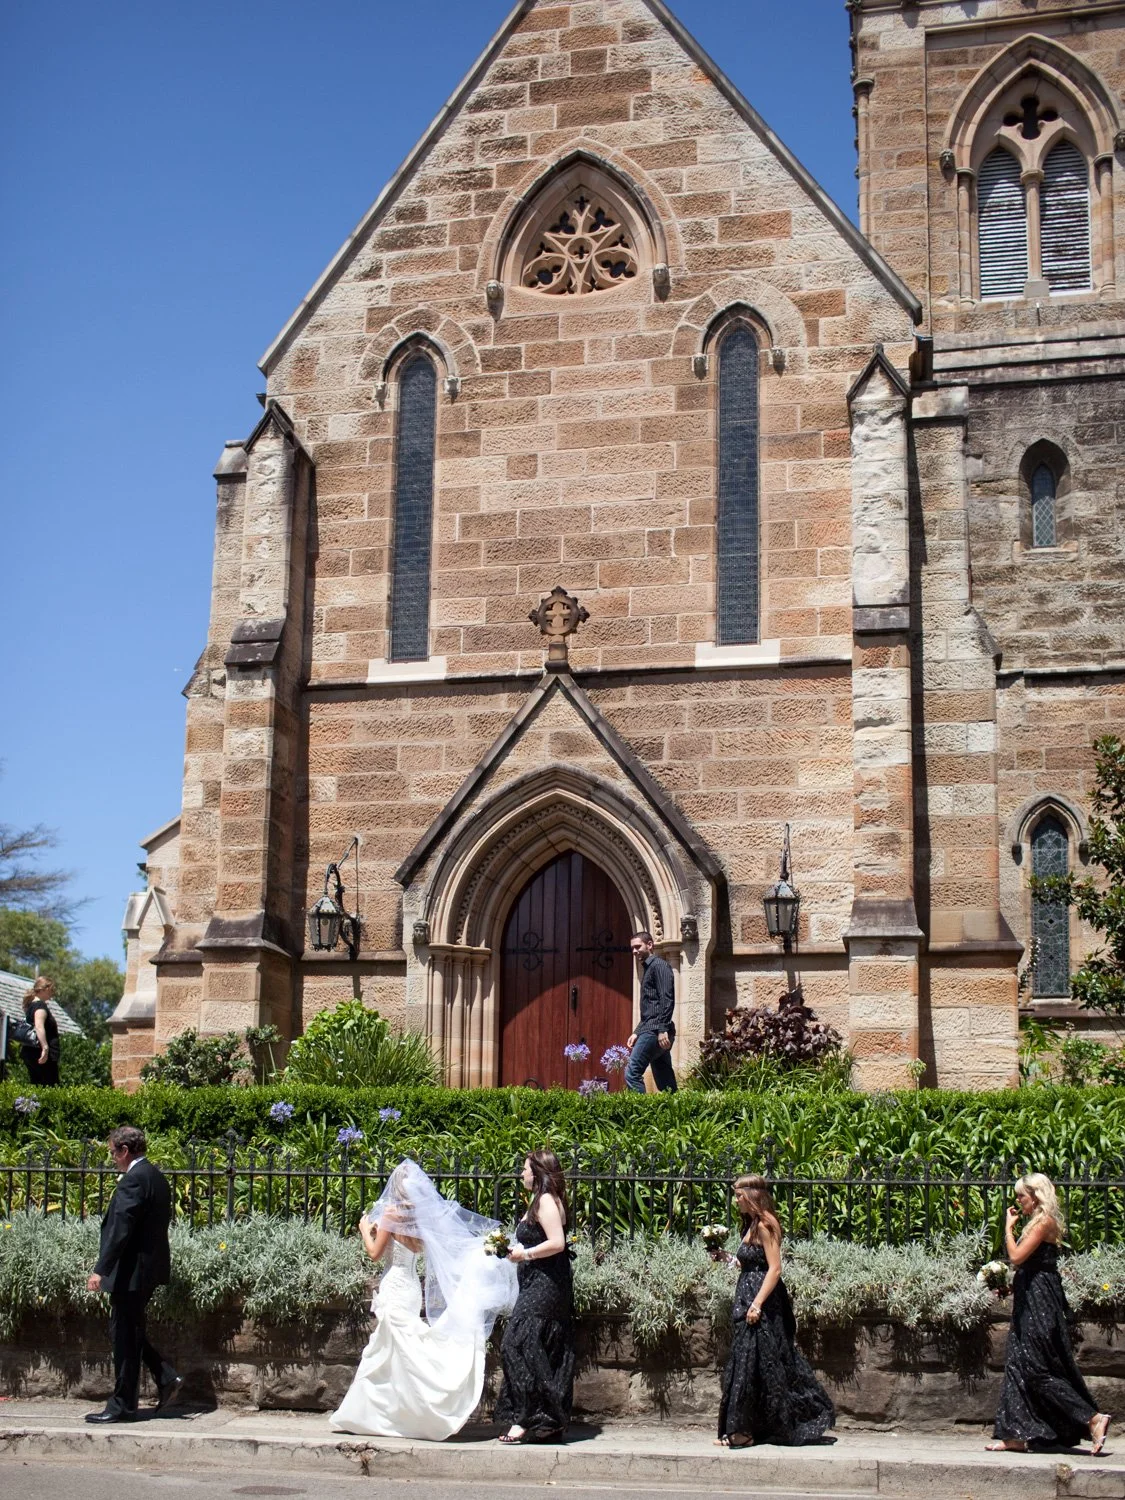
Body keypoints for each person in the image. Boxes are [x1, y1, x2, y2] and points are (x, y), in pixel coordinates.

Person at [330, 1160, 517, 1440]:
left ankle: (382, 1414)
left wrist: (364, 1230)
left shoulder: (391, 1215)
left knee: (390, 1349)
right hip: (410, 1289)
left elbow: (374, 1254)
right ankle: (389, 1412)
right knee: (397, 1349)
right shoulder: (418, 1218)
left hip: (394, 1284)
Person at [988, 1173, 1111, 1454]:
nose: (1018, 1201)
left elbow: (1017, 1257)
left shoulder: (1044, 1222)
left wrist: (1007, 1229)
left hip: (1040, 1303)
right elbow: (1031, 1266)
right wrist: (1009, 1287)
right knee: (1017, 1364)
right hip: (1029, 1298)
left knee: (1035, 1368)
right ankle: (1015, 1435)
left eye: (1022, 1195)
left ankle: (1092, 1418)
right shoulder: (1036, 1222)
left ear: (1036, 1195)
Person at [714, 1174, 834, 1448]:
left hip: (762, 1305)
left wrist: (757, 1304)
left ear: (751, 1195)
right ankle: (744, 1430)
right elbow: (750, 1264)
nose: (736, 1200)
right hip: (746, 1300)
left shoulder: (766, 1225)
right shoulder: (750, 1225)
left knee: (762, 1363)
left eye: (738, 1194)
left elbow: (775, 1268)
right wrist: (727, 1259)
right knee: (748, 1365)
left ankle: (746, 1431)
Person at [85, 1126, 182, 1423]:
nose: (113, 1158)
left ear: (125, 1150)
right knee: (127, 1331)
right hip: (145, 1272)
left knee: (124, 1337)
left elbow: (120, 1229)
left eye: (113, 1152)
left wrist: (101, 1269)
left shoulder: (134, 1180)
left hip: (131, 1273)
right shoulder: (155, 1175)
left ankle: (122, 1406)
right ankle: (164, 1376)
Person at [495, 1148, 576, 1444]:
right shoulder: (543, 1200)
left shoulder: (545, 1201)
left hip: (545, 1285)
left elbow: (557, 1243)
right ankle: (545, 1418)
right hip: (540, 1283)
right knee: (539, 1348)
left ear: (538, 1172)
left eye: (525, 1169)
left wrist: (524, 1254)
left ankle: (528, 1417)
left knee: (516, 1344)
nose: (522, 1174)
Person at [624, 930, 677, 1093]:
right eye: (632, 948)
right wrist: (637, 1032)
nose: (634, 951)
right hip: (651, 1029)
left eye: (638, 946)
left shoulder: (659, 966)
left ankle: (641, 1114)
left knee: (632, 1073)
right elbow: (652, 1007)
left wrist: (662, 1030)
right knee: (665, 1079)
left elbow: (667, 999)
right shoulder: (649, 968)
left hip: (655, 1031)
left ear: (650, 945)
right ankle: (677, 1113)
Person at [21, 976, 60, 1086]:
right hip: (41, 1054)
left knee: (37, 1085)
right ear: (45, 989)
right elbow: (39, 1026)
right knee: (49, 1086)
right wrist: (45, 1048)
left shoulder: (30, 1006)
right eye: (51, 989)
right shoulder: (40, 1006)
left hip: (31, 1053)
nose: (52, 992)